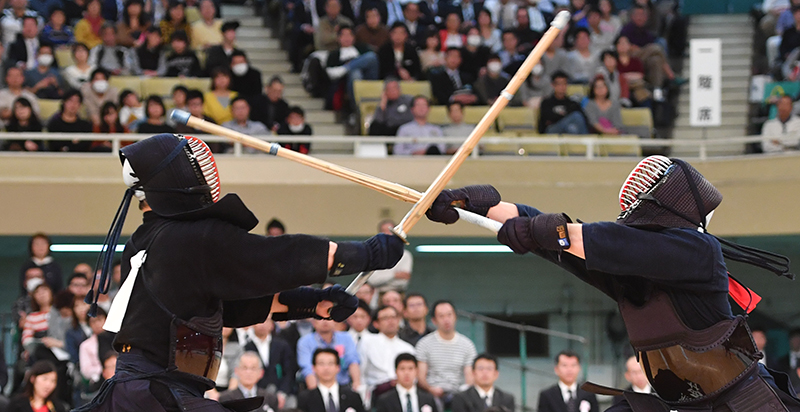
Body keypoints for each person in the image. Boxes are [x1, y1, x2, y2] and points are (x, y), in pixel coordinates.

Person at [424, 156, 800, 411]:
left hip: (745, 401)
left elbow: (583, 237)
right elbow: (558, 242)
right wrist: (472, 205)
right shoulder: (632, 268)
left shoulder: (696, 249)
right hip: (685, 403)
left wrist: (543, 230)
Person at [75, 132, 403, 411]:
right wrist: (366, 253)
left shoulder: (149, 239)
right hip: (155, 393)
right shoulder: (191, 237)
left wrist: (311, 303)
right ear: (175, 179)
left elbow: (225, 307)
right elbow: (273, 258)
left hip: (146, 392)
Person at [415, 301, 477, 408]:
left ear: (455, 317)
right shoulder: (424, 344)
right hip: (431, 393)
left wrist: (461, 391)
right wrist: (431, 389)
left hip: (458, 393)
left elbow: (470, 377)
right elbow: (421, 377)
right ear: (434, 320)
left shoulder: (467, 345)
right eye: (441, 316)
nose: (446, 319)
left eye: (449, 315)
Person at [359, 305, 415, 402]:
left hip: (401, 392)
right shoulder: (367, 341)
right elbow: (360, 372)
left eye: (393, 317)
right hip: (375, 392)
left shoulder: (407, 348)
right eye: (385, 318)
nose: (391, 321)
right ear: (376, 323)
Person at [242, 319, 296, 405]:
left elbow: (289, 371)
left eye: (266, 321)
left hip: (282, 391)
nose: (262, 325)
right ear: (252, 325)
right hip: (257, 395)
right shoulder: (247, 347)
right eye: (259, 322)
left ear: (272, 325)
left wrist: (282, 393)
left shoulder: (282, 345)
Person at [297, 318, 361, 389]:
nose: (325, 321)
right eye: (320, 318)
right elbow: (307, 369)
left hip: (343, 385)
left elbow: (353, 361)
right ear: (313, 323)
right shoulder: (305, 342)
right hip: (318, 386)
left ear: (335, 321)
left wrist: (357, 385)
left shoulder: (346, 338)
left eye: (329, 318)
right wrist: (316, 394)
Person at [297, 348, 366, 412]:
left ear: (338, 367)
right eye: (321, 364)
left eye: (331, 363)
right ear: (314, 368)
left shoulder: (352, 396)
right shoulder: (305, 398)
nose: (326, 368)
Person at [374, 353, 438, 412]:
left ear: (417, 371)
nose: (406, 373)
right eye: (402, 369)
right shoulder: (385, 400)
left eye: (410, 369)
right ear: (396, 372)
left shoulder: (427, 398)